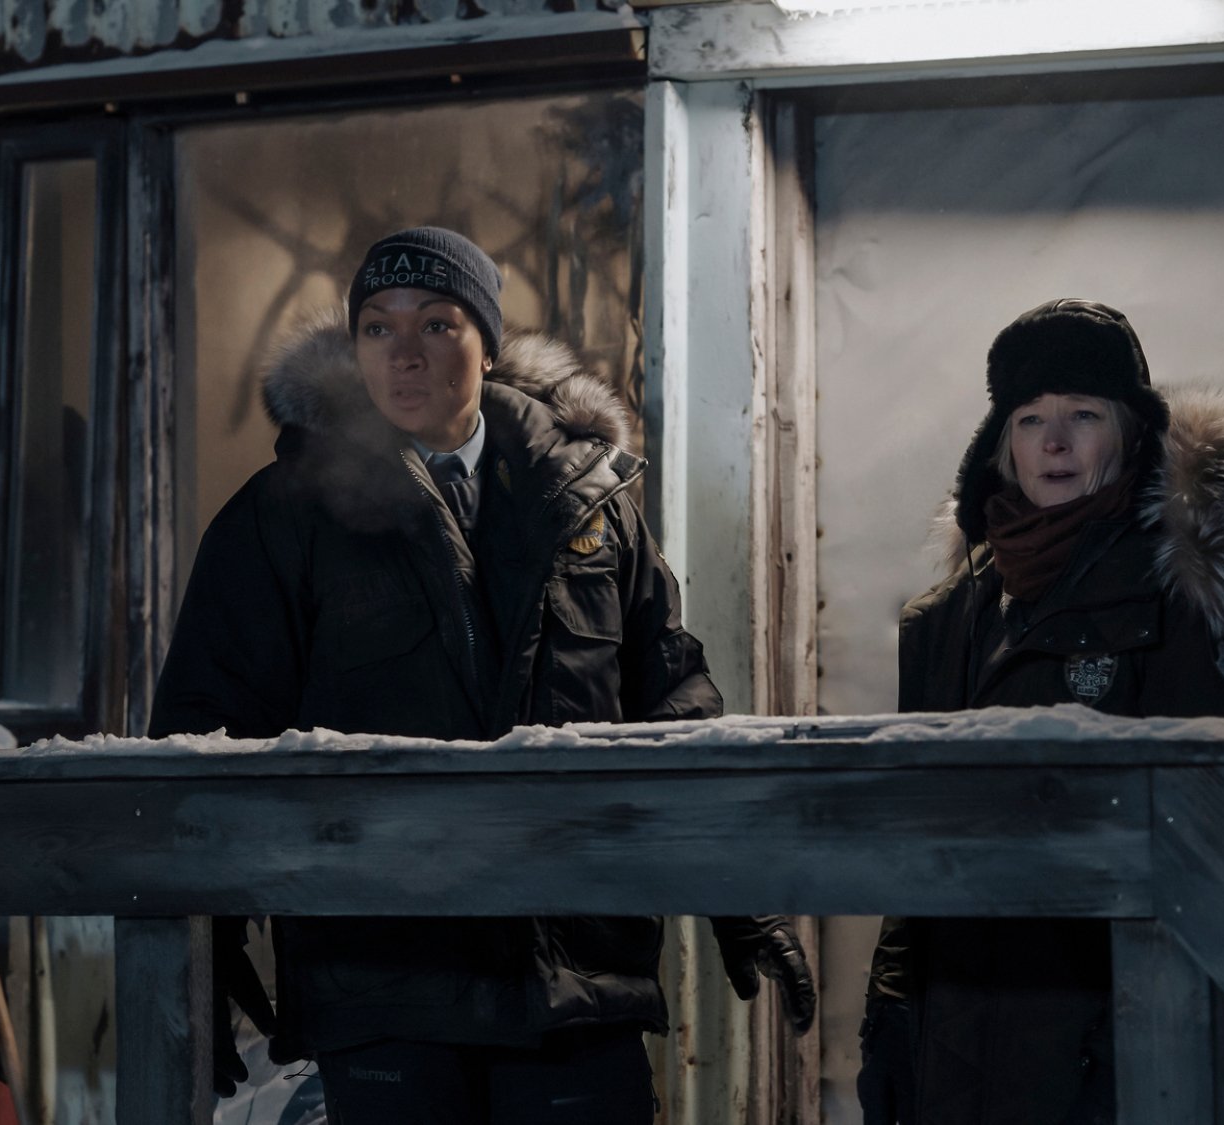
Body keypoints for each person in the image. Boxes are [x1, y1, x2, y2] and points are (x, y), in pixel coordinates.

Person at [149, 227, 815, 1124]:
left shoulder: (590, 501)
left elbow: (672, 701)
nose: (405, 355)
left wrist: (742, 890)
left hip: (576, 975)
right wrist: (209, 926)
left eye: (437, 323)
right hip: (388, 979)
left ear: (489, 343)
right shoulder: (284, 515)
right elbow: (206, 724)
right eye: (378, 330)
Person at [857, 299, 1224, 1125]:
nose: (1053, 442)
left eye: (1082, 415)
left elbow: (1221, 843)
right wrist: (892, 1005)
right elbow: (913, 841)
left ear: (1131, 432)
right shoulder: (951, 616)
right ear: (1004, 443)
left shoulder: (1199, 595)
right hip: (967, 1039)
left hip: (1135, 1039)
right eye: (1030, 419)